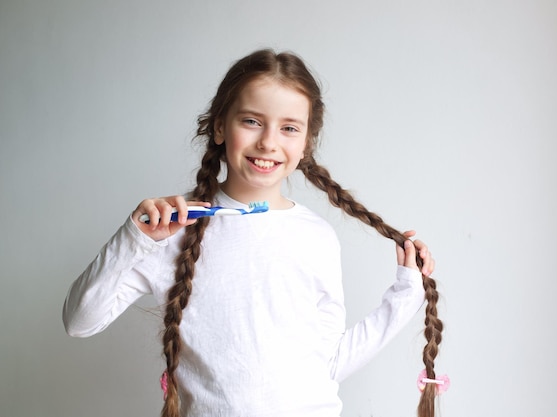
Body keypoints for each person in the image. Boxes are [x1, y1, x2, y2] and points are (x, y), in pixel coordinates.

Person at [63, 49, 443, 417]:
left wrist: (406, 295)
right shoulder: (171, 228)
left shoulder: (317, 237)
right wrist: (135, 236)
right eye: (251, 121)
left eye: (289, 128)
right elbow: (79, 321)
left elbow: (327, 365)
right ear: (218, 126)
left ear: (306, 143)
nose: (268, 142)